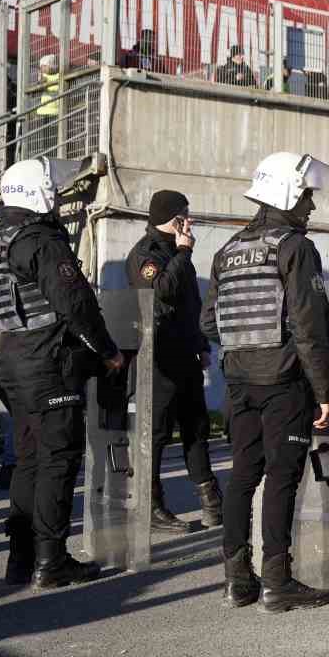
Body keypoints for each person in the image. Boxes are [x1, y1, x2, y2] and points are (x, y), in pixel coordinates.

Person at [202, 151, 329, 614]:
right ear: (287, 193)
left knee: (242, 477)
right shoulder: (295, 247)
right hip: (284, 382)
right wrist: (325, 392)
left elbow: (209, 322)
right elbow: (310, 324)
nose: (311, 205)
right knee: (282, 478)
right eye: (306, 195)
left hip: (239, 380)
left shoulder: (227, 252)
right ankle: (278, 581)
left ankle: (236, 579)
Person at [0, 157, 124, 588]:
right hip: (47, 359)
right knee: (58, 460)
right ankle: (52, 561)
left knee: (28, 459)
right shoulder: (40, 240)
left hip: (13, 357)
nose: (60, 196)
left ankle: (21, 559)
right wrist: (107, 350)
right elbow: (75, 302)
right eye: (55, 190)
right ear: (39, 193)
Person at [125, 190, 223, 533]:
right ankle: (151, 507)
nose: (190, 221)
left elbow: (188, 305)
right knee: (157, 433)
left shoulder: (178, 252)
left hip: (185, 355)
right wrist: (183, 251)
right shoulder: (145, 254)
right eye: (184, 215)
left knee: (196, 430)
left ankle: (212, 504)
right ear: (172, 217)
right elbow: (161, 291)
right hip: (158, 357)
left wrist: (201, 345)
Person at [25, 54, 62, 157]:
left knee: (53, 139)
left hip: (55, 113)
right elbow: (36, 90)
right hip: (44, 113)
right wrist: (39, 81)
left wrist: (41, 81)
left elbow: (43, 85)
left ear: (50, 66)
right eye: (41, 66)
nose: (42, 68)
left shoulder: (58, 77)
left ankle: (51, 156)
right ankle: (46, 157)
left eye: (44, 66)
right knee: (45, 139)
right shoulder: (45, 77)